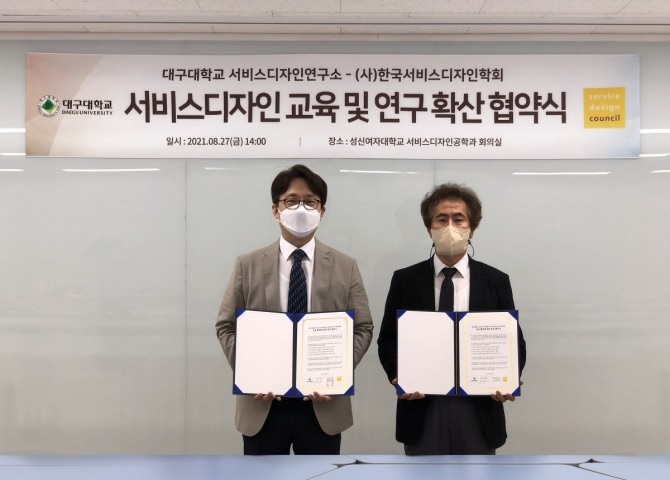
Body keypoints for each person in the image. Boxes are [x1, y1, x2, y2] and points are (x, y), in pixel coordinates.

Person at [216, 164, 374, 455]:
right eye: (291, 201)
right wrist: (251, 374)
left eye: (310, 201)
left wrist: (336, 373)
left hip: (323, 404)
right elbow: (225, 325)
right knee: (261, 476)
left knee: (320, 474)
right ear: (275, 210)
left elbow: (363, 327)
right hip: (262, 404)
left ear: (322, 211)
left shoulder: (345, 265)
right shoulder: (247, 264)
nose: (301, 208)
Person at [377, 182, 526, 455]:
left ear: (472, 228)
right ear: (429, 228)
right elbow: (387, 339)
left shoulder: (496, 280)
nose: (450, 226)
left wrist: (507, 378)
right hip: (422, 408)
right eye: (441, 219)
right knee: (421, 475)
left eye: (458, 219)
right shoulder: (405, 280)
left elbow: (514, 342)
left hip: (478, 409)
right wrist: (398, 375)